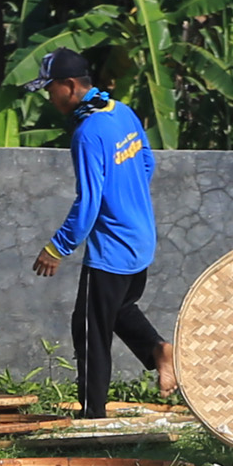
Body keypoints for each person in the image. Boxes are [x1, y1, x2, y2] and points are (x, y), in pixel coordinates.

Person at [32, 49, 172, 417]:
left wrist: (57, 247)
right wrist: (127, 200)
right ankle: (157, 349)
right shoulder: (121, 112)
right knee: (118, 309)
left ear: (69, 85)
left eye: (50, 88)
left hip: (111, 248)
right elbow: (146, 162)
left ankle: (92, 416)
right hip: (140, 237)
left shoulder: (88, 133)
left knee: (91, 331)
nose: (49, 97)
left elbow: (89, 202)